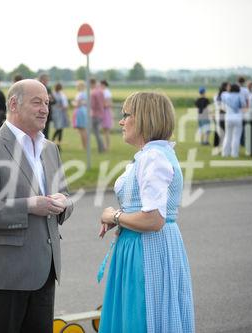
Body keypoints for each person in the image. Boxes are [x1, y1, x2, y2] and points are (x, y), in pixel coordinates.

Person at [0, 79, 73, 333]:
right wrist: (28, 205)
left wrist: (64, 203)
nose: (45, 109)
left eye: (47, 103)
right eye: (37, 102)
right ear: (13, 104)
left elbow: (66, 195)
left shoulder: (50, 148)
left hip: (44, 273)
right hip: (4, 277)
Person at [98, 91, 194, 333]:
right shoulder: (151, 155)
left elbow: (153, 219)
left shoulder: (153, 157)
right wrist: (123, 215)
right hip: (140, 245)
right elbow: (144, 207)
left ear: (143, 118)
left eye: (126, 115)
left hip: (147, 249)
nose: (121, 122)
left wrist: (115, 216)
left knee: (141, 317)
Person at [221, 83, 245, 158]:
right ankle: (234, 154)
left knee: (227, 136)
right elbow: (243, 105)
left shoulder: (226, 95)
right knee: (236, 137)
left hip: (228, 117)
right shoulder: (240, 96)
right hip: (238, 117)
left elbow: (223, 104)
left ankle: (225, 153)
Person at [51, 82, 69, 149]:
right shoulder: (59, 94)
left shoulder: (55, 94)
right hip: (58, 113)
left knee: (60, 129)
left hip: (58, 112)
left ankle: (58, 144)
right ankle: (53, 141)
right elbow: (64, 105)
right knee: (59, 128)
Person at [90, 78, 105, 152]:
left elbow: (92, 105)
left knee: (96, 132)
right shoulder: (101, 91)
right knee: (98, 132)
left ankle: (101, 148)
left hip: (95, 114)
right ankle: (102, 147)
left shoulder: (93, 93)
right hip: (101, 113)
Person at [38, 73, 55, 139]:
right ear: (41, 80)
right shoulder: (36, 89)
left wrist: (49, 99)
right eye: (46, 80)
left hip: (48, 113)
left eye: (47, 80)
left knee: (46, 131)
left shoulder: (48, 89)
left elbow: (54, 101)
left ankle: (45, 146)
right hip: (38, 112)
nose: (47, 82)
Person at [72, 80, 88, 149]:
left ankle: (84, 145)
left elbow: (78, 104)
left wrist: (73, 103)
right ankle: (85, 145)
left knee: (82, 129)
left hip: (80, 111)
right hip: (83, 111)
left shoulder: (80, 94)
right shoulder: (85, 94)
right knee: (82, 129)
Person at [213, 82, 229, 147]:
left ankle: (218, 143)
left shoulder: (217, 95)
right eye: (228, 86)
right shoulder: (226, 95)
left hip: (218, 113)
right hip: (223, 113)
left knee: (219, 129)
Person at [100, 80, 113, 151]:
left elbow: (109, 103)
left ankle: (107, 146)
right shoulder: (105, 92)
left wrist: (101, 105)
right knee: (104, 130)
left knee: (106, 130)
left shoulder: (107, 92)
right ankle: (105, 145)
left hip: (106, 112)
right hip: (103, 111)